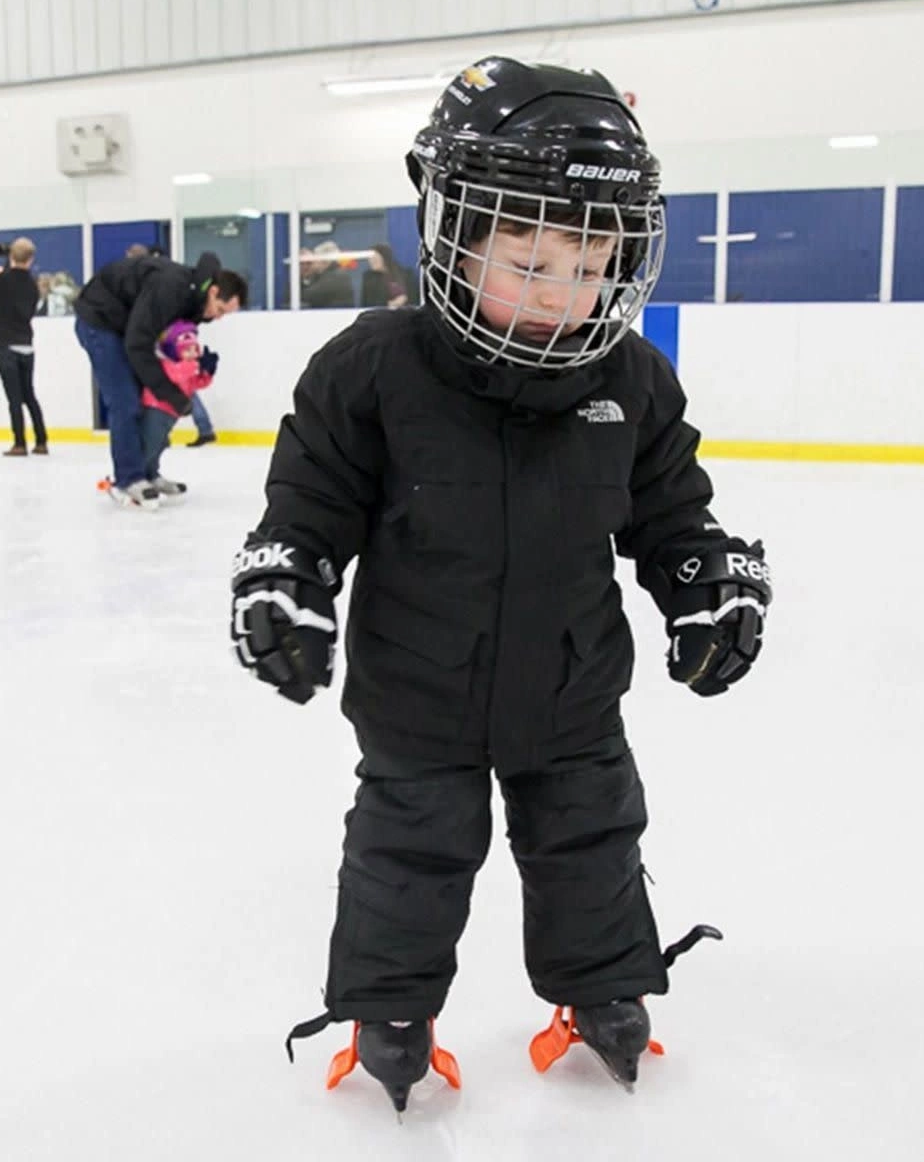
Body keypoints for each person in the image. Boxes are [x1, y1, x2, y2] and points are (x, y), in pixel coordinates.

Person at [229, 57, 773, 1112]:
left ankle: (603, 988)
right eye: (526, 262)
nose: (559, 294)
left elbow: (672, 514)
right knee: (407, 855)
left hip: (573, 691)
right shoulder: (373, 367)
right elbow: (309, 505)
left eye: (590, 265)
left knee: (592, 840)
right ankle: (390, 1008)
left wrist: (707, 580)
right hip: (419, 692)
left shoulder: (632, 381)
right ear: (455, 236)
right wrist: (284, 578)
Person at [73, 251, 246, 509]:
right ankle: (128, 479)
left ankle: (148, 472)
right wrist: (168, 391)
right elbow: (138, 343)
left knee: (149, 401)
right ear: (213, 291)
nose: (218, 317)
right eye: (220, 310)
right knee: (125, 401)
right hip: (100, 322)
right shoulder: (171, 289)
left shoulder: (193, 301)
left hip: (126, 326)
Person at [0, 237, 47, 457]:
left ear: (11, 256)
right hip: (26, 343)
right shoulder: (32, 285)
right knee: (29, 395)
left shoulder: (0, 279)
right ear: (31, 259)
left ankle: (19, 443)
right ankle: (41, 440)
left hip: (6, 344)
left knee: (14, 398)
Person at [138, 320, 217, 485]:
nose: (192, 353)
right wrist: (196, 365)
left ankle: (152, 474)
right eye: (186, 350)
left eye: (194, 349)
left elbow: (196, 384)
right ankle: (137, 477)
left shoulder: (188, 366)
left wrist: (208, 373)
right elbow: (176, 375)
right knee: (150, 444)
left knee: (161, 444)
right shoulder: (168, 365)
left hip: (171, 414)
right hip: (156, 410)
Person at [299, 242, 355, 309]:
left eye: (315, 260)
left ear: (324, 260)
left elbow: (306, 296)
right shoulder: (328, 274)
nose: (313, 264)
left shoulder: (336, 277)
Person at [360, 243, 409, 309]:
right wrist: (390, 304)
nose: (371, 261)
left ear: (384, 258)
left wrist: (404, 299)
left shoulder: (405, 274)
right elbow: (368, 302)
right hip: (380, 314)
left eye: (375, 259)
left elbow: (414, 296)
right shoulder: (369, 277)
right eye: (370, 259)